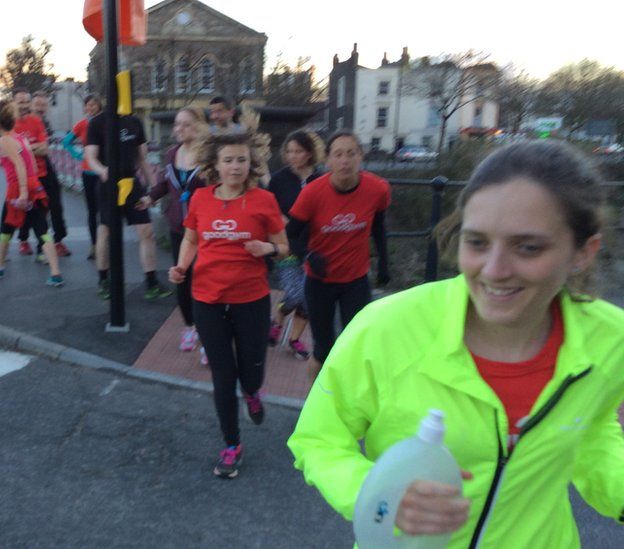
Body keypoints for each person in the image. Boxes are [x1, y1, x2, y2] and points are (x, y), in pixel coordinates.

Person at [287, 141, 624, 547]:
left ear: (583, 253)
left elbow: (591, 429)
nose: (494, 270)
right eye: (477, 242)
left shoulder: (611, 339)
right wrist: (377, 493)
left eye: (528, 247)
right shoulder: (387, 328)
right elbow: (318, 440)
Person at [169, 132, 289, 479]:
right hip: (207, 297)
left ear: (251, 164)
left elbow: (284, 246)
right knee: (223, 375)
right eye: (228, 160)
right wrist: (181, 267)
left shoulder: (264, 200)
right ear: (215, 165)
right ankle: (232, 444)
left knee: (250, 372)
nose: (235, 166)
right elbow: (191, 238)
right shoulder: (202, 199)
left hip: (250, 299)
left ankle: (252, 392)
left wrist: (265, 248)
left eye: (241, 160)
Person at [288, 130, 390, 383]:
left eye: (351, 154)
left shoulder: (377, 189)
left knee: (356, 345)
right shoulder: (312, 193)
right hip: (319, 281)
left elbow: (378, 226)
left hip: (355, 280)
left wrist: (385, 263)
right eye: (338, 155)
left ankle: (348, 403)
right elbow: (290, 236)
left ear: (361, 157)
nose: (345, 161)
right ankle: (314, 405)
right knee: (323, 349)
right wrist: (308, 255)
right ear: (328, 161)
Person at [85, 108, 172, 301]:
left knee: (146, 231)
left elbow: (142, 158)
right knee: (106, 231)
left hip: (131, 184)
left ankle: (151, 283)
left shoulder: (134, 122)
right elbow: (90, 156)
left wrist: (154, 188)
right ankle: (104, 280)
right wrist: (102, 170)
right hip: (108, 186)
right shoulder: (97, 123)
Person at [148, 107, 208, 361]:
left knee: (205, 281)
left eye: (185, 124)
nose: (179, 129)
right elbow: (164, 183)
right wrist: (148, 198)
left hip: (204, 229)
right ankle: (189, 328)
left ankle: (208, 337)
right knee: (182, 277)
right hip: (177, 226)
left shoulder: (209, 156)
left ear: (197, 127)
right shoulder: (172, 153)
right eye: (177, 124)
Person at [0, 101, 64, 287]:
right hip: (33, 185)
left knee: (5, 229)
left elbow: (19, 164)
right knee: (41, 229)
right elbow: (32, 164)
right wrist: (32, 185)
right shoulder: (20, 138)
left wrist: (23, 193)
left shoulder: (4, 140)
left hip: (18, 190)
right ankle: (55, 272)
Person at [267, 130, 325, 359]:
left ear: (310, 153)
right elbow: (270, 209)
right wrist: (288, 223)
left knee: (309, 298)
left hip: (315, 247)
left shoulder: (321, 179)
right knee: (294, 293)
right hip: (287, 244)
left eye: (298, 151)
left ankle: (294, 339)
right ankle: (277, 321)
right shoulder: (279, 179)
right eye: (289, 151)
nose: (292, 156)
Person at [16, 92, 71, 258]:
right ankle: (25, 239)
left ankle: (57, 241)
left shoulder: (42, 122)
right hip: (26, 171)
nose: (40, 108)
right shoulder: (19, 122)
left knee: (55, 205)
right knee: (32, 208)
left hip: (45, 166)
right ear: (31, 106)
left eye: (43, 105)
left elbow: (45, 148)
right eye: (37, 105)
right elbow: (14, 150)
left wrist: (26, 148)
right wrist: (33, 148)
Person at [63, 94, 103, 260]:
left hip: (104, 171)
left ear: (99, 106)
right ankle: (94, 245)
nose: (91, 108)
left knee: (105, 210)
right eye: (88, 105)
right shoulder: (82, 124)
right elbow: (66, 142)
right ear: (85, 107)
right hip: (88, 172)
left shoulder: (106, 122)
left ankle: (105, 243)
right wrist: (78, 154)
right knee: (92, 211)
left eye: (94, 105)